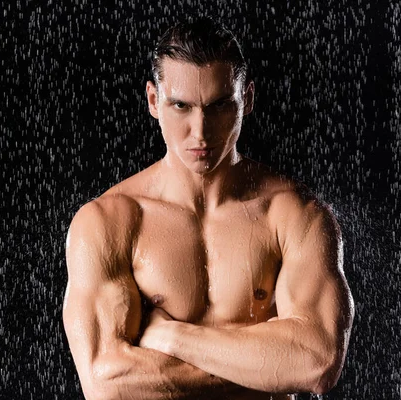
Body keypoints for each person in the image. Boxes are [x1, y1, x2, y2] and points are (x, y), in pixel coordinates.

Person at [62, 17, 354, 400]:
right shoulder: (108, 222)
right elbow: (106, 383)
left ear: (245, 99)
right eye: (181, 106)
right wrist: (265, 366)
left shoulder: (295, 216)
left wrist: (173, 336)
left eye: (219, 107)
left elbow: (315, 362)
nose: (200, 132)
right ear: (154, 101)